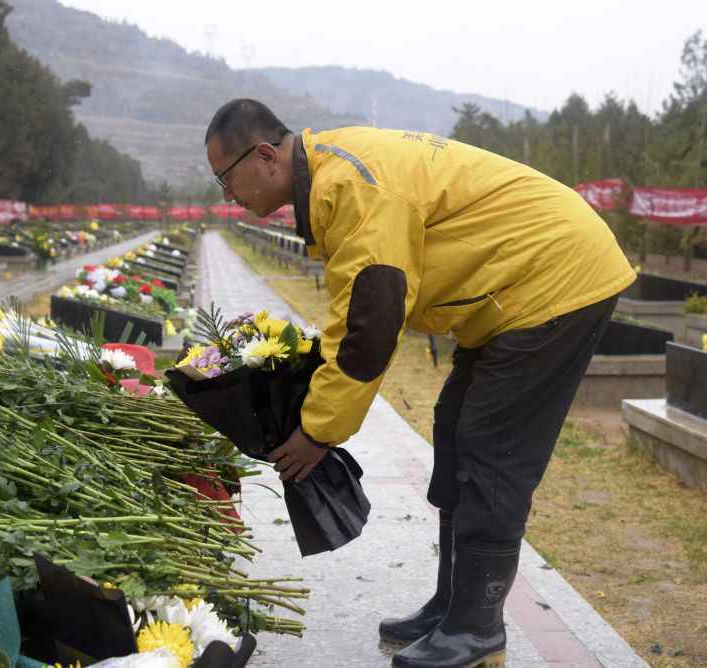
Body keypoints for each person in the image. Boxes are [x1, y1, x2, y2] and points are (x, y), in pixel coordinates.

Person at [204, 99, 635, 668]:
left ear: (263, 156)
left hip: (555, 277)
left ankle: (478, 632)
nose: (227, 196)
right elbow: (351, 309)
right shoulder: (333, 179)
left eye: (225, 179)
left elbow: (371, 326)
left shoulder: (349, 184)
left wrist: (318, 431)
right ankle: (454, 608)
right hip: (514, 291)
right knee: (454, 425)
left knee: (490, 446)